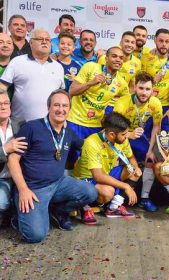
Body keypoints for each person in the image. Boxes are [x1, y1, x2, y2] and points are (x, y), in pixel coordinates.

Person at [8, 89, 98, 243]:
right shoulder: (31, 128)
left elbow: (87, 145)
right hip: (33, 189)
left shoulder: (68, 132)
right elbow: (13, 160)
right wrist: (23, 189)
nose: (61, 109)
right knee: (35, 236)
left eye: (65, 106)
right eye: (56, 105)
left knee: (90, 192)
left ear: (69, 109)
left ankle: (58, 212)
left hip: (58, 183)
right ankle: (18, 216)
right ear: (48, 107)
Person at [73, 112, 141, 219]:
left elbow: (131, 157)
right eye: (123, 134)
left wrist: (136, 167)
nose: (126, 137)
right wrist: (126, 186)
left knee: (135, 171)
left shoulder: (122, 138)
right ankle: (84, 205)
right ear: (112, 135)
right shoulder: (92, 142)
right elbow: (98, 176)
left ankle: (113, 207)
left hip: (107, 172)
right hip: (86, 178)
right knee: (108, 192)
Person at [113, 72, 162, 212]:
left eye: (148, 89)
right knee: (116, 163)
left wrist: (150, 150)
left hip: (138, 138)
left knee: (150, 160)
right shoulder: (122, 102)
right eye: (141, 88)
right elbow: (114, 131)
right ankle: (116, 198)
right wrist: (129, 134)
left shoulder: (155, 103)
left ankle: (144, 198)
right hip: (121, 138)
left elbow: (156, 127)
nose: (144, 92)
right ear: (134, 88)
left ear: (152, 90)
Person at [0, 29, 64, 122]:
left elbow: (61, 96)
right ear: (31, 43)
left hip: (49, 125)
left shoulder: (58, 67)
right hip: (20, 123)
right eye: (40, 39)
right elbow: (2, 87)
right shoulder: (17, 61)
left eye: (47, 40)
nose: (44, 42)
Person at [68, 46, 128, 141]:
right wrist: (91, 83)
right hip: (75, 121)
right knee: (71, 155)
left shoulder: (122, 83)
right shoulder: (91, 67)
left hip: (96, 126)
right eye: (114, 56)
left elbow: (126, 103)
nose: (118, 60)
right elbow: (72, 91)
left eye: (121, 58)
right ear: (106, 59)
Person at [141, 28, 169, 132]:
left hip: (167, 107)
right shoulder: (146, 58)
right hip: (148, 104)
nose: (164, 44)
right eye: (161, 41)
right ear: (155, 40)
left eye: (167, 41)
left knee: (166, 139)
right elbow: (140, 83)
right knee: (145, 138)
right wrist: (154, 80)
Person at [0, 91, 26, 226]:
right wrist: (5, 149)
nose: (3, 107)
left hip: (19, 177)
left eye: (5, 103)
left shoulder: (21, 125)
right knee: (1, 202)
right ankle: (6, 213)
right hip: (1, 178)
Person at [0, 33, 15, 100]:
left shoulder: (18, 66)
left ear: (13, 47)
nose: (5, 45)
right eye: (1, 42)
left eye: (9, 43)